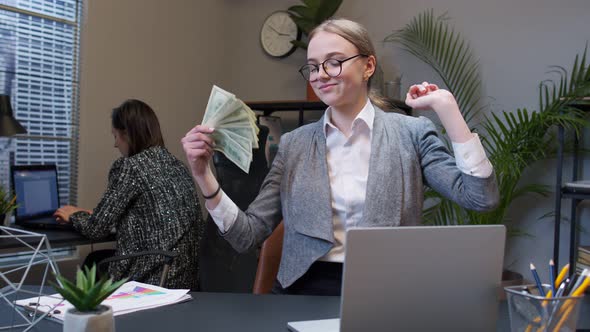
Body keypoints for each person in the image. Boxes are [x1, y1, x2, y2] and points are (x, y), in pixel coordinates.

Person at [181, 19, 499, 296]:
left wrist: (447, 108)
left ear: (368, 66)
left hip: (389, 288)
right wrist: (203, 175)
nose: (321, 74)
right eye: (314, 66)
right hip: (304, 287)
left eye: (334, 61)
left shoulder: (411, 134)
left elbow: (481, 198)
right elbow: (246, 236)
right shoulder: (293, 145)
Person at [54, 99, 204, 290]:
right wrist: (92, 213)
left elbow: (96, 229)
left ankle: (75, 315)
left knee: (92, 265)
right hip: (184, 278)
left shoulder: (130, 166)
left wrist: (72, 215)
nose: (115, 144)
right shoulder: (176, 165)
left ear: (127, 133)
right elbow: (152, 218)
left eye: (115, 136)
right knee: (94, 258)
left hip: (152, 277)